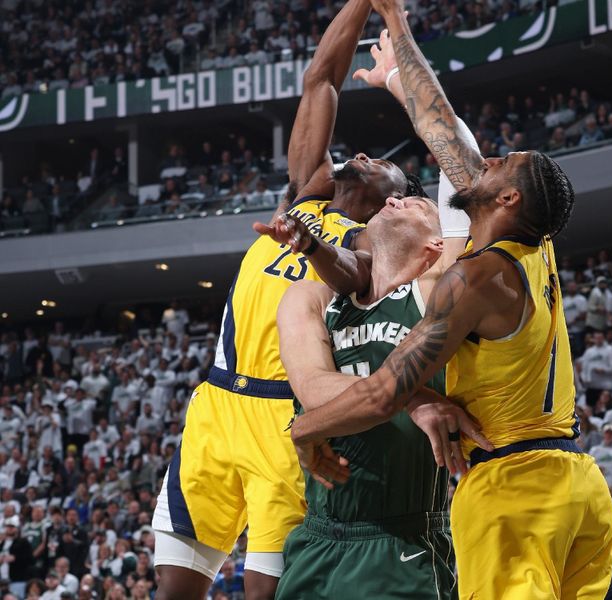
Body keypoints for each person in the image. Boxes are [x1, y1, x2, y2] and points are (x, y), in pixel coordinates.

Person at [284, 2, 612, 597]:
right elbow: (442, 126)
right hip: (579, 486)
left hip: (514, 492)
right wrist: (396, 30)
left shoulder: (474, 279)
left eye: (499, 166)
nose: (483, 163)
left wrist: (302, 431)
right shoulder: (531, 249)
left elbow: (380, 393)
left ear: (508, 200)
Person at [151, 2, 422, 598]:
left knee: (266, 591)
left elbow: (351, 275)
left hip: (288, 417)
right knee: (172, 588)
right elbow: (320, 80)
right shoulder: (305, 198)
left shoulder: (374, 247)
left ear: (395, 200)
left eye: (384, 165)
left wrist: (312, 246)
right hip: (217, 404)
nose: (366, 157)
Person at [272, 196, 483, 598]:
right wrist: (411, 397)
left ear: (436, 246)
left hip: (402, 540)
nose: (392, 200)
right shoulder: (311, 298)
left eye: (417, 204)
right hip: (316, 538)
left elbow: (466, 196)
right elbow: (313, 388)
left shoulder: (434, 294)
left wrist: (432, 130)